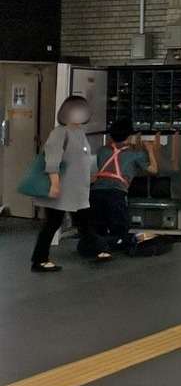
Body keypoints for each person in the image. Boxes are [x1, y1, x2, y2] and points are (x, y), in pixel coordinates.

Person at [29, 95, 110, 272]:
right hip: (60, 188)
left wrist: (89, 177)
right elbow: (52, 160)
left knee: (83, 221)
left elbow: (82, 160)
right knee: (53, 223)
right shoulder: (59, 133)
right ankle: (40, 260)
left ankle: (96, 250)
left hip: (75, 189)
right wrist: (55, 184)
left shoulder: (79, 133)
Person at [91, 118, 159, 252]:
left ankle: (100, 250)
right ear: (129, 136)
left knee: (99, 227)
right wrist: (150, 150)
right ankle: (117, 247)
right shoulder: (135, 154)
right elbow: (154, 170)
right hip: (116, 193)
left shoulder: (102, 150)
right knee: (120, 228)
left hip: (95, 192)